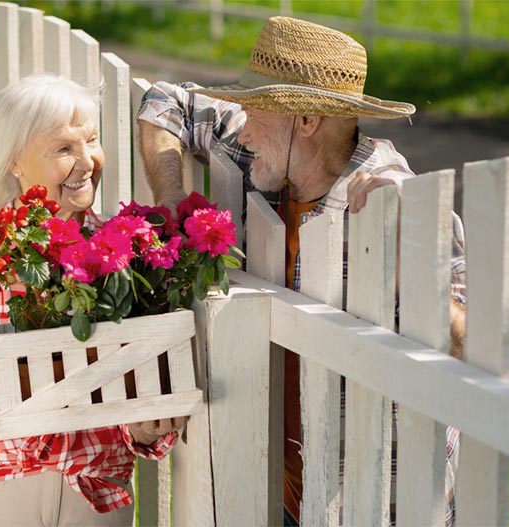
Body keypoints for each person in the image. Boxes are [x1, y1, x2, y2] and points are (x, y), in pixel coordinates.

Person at [136, 17, 466, 526]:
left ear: (307, 119)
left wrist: (411, 253)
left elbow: (473, 351)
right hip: (283, 493)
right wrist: (172, 199)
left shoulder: (396, 202)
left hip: (381, 506)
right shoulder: (265, 152)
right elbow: (164, 100)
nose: (242, 129)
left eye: (255, 111)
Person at [0, 74, 184, 527]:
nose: (87, 161)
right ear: (15, 162)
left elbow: (147, 386)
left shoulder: (128, 252)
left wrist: (145, 426)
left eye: (91, 141)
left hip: (95, 495)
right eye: (63, 149)